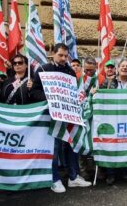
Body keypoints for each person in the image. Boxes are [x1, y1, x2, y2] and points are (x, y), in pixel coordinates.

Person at [30, 43, 91, 193]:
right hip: (52, 116)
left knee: (72, 144)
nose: (64, 58)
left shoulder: (70, 71)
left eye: (66, 56)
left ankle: (73, 177)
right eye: (60, 55)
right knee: (54, 148)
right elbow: (34, 92)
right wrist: (51, 98)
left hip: (69, 115)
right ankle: (54, 179)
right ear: (53, 54)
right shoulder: (43, 69)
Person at [99, 59, 127, 185]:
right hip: (111, 118)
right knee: (111, 144)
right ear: (118, 69)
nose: (125, 68)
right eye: (122, 66)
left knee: (125, 143)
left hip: (126, 119)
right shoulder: (108, 82)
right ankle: (110, 173)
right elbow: (99, 94)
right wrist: (94, 93)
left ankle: (125, 171)